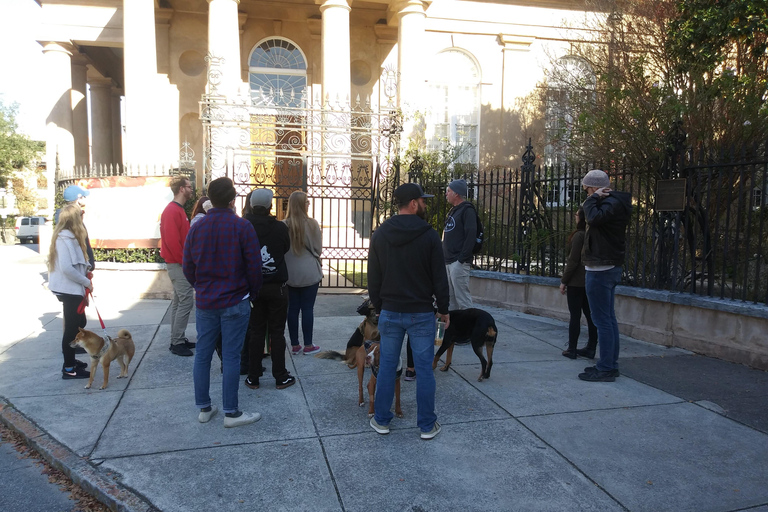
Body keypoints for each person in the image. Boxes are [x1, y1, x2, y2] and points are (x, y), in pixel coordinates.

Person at [368, 182, 450, 440]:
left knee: (387, 367)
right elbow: (440, 277)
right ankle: (427, 425)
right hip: (421, 312)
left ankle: (381, 420)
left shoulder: (380, 234)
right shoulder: (429, 235)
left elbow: (373, 277)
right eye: (423, 201)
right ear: (413, 204)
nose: (425, 205)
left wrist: (380, 307)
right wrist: (444, 309)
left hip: (390, 311)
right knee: (424, 370)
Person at [183, 177, 264, 427]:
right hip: (235, 300)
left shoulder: (197, 227)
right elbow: (254, 267)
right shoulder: (242, 227)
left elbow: (188, 266)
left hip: (208, 301)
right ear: (232, 199)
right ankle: (231, 412)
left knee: (203, 355)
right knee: (231, 356)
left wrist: (202, 287)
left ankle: (204, 407)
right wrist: (252, 292)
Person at [578, 170, 632, 383]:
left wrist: (592, 199)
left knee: (603, 320)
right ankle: (608, 364)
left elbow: (591, 217)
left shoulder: (609, 204)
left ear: (595, 187)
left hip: (602, 268)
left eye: (587, 189)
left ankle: (607, 367)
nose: (586, 193)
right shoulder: (610, 204)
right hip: (604, 266)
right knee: (607, 319)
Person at [243, 188, 295, 390]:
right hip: (277, 286)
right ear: (270, 206)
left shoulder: (245, 226)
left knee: (256, 331)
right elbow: (285, 248)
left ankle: (253, 376)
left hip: (254, 286)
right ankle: (280, 375)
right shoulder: (280, 228)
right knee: (277, 332)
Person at [48, 204, 93, 380]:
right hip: (69, 290)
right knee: (72, 330)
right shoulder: (64, 239)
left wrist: (86, 273)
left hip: (73, 289)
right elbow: (67, 268)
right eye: (81, 215)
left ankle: (71, 361)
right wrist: (86, 282)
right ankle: (69, 368)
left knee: (79, 323)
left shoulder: (69, 237)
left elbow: (77, 264)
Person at [283, 190, 323, 355]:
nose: (309, 204)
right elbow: (318, 249)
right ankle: (308, 345)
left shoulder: (284, 225)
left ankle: (294, 345)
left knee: (292, 309)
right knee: (307, 309)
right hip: (309, 272)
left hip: (290, 272)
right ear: (301, 204)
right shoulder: (312, 224)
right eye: (307, 201)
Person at [160, 175, 195, 357]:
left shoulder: (177, 210)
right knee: (186, 300)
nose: (191, 189)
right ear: (181, 189)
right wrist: (186, 263)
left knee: (179, 302)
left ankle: (177, 337)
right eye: (189, 187)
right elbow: (174, 243)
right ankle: (177, 342)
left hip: (177, 263)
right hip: (177, 264)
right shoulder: (173, 211)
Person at [559, 207, 598, 359]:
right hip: (589, 279)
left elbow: (573, 260)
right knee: (590, 316)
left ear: (581, 218)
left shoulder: (579, 236)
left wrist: (564, 281)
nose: (575, 217)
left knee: (575, 316)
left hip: (576, 282)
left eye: (576, 215)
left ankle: (572, 349)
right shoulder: (592, 235)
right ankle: (591, 347)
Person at [442, 178, 476, 311]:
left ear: (456, 193)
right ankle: (455, 329)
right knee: (450, 299)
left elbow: (471, 235)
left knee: (462, 298)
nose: (446, 194)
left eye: (448, 191)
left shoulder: (467, 210)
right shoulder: (453, 211)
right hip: (448, 261)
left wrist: (462, 259)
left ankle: (469, 327)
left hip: (458, 262)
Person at [56, 185, 95, 271]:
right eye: (83, 197)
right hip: (78, 267)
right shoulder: (73, 221)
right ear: (78, 200)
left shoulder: (62, 217)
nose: (85, 200)